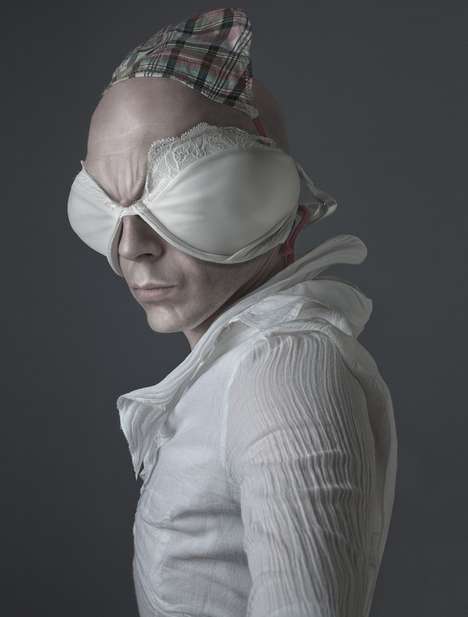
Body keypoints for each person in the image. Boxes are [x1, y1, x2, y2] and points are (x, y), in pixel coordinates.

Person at [67, 8, 397, 617]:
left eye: (184, 193)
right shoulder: (239, 370)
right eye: (105, 205)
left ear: (279, 200)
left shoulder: (284, 375)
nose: (132, 246)